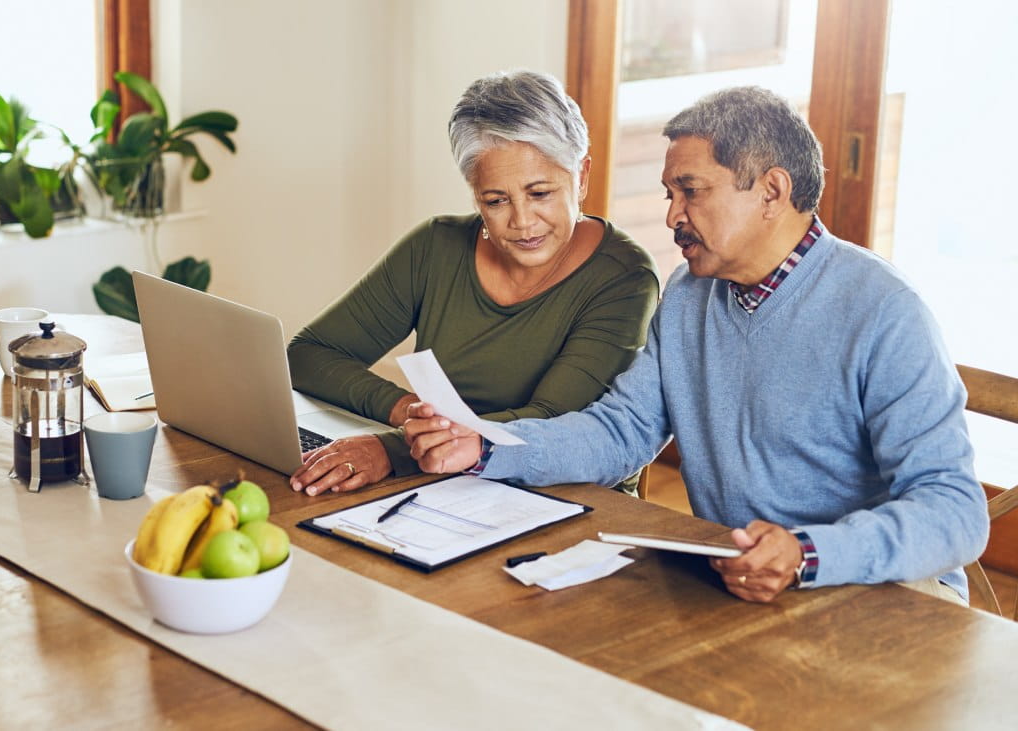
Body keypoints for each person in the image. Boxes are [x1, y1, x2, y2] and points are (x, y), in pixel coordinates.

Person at [403, 86, 988, 605]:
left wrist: (807, 554)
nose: (671, 216)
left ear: (772, 191)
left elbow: (955, 514)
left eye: (690, 191)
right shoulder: (689, 294)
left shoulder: (884, 311)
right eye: (668, 194)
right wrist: (483, 447)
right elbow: (621, 431)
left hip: (886, 597)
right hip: (744, 586)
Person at [286, 70, 659, 496]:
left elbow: (553, 421)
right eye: (495, 200)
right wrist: (410, 414)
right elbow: (309, 355)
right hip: (444, 486)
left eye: (540, 194)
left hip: (564, 497)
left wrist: (394, 450)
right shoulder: (436, 246)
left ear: (582, 176)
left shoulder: (624, 277)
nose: (522, 222)